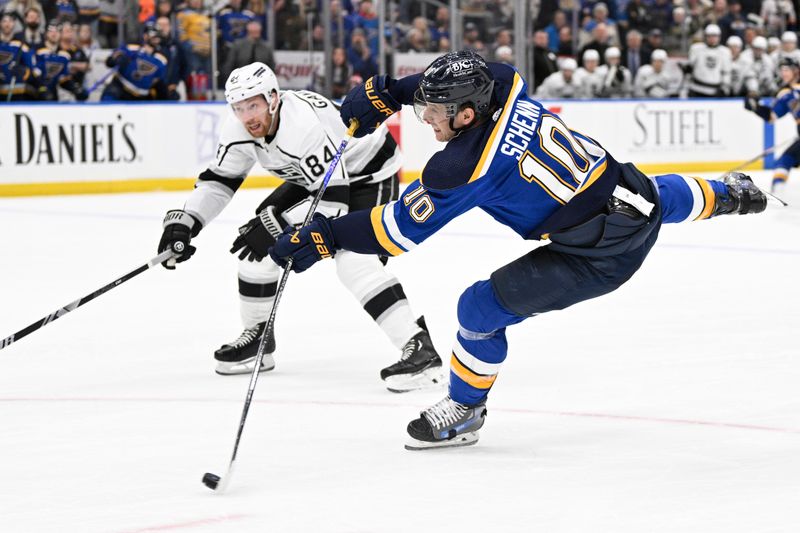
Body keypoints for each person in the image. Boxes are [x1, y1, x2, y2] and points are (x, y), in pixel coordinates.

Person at [264, 50, 770, 450]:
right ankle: (731, 194)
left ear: (467, 114)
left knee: (478, 308)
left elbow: (392, 232)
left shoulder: (464, 166)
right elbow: (464, 74)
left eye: (435, 112)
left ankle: (464, 411)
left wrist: (325, 237)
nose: (425, 119)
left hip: (599, 255)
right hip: (623, 190)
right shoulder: (504, 85)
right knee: (657, 198)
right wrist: (393, 93)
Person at [156, 62, 443, 391]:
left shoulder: (301, 126)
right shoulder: (239, 128)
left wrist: (277, 224)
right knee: (257, 244)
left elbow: (333, 203)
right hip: (318, 177)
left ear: (273, 99)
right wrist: (186, 222)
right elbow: (219, 181)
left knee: (354, 261)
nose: (247, 116)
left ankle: (421, 350)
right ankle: (258, 339)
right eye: (239, 107)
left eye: (254, 105)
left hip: (369, 175)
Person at [745, 57, 800, 194]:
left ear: (796, 71)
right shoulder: (786, 94)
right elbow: (772, 116)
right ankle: (778, 191)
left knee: (785, 160)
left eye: (786, 70)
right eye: (781, 70)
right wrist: (755, 107)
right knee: (785, 160)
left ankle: (777, 191)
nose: (783, 74)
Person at [685, 24, 732, 97]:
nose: (712, 38)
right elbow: (689, 70)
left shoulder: (725, 51)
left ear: (719, 37)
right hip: (696, 89)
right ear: (705, 36)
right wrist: (686, 89)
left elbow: (726, 72)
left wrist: (724, 89)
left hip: (715, 91)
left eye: (714, 36)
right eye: (709, 36)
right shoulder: (696, 48)